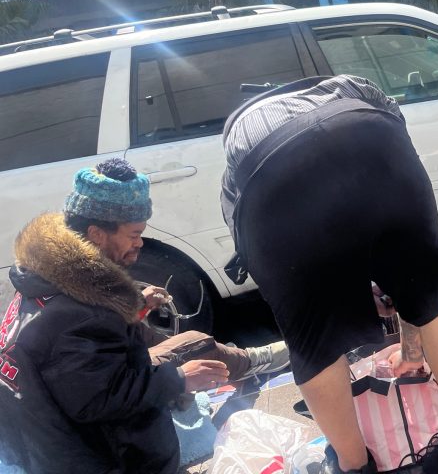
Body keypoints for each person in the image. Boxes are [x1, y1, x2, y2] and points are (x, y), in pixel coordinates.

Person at [221, 75, 438, 474]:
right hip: (369, 137)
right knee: (434, 299)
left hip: (270, 174)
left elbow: (249, 240)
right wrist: (398, 301)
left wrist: (330, 295)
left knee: (311, 340)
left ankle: (353, 466)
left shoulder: (235, 139)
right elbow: (397, 149)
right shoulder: (351, 86)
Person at [0, 158, 290, 473]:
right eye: (134, 234)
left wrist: (135, 303)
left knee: (191, 342)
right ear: (97, 234)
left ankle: (253, 361)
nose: (140, 243)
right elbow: (97, 399)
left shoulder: (47, 276)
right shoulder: (77, 317)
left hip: (61, 427)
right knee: (187, 361)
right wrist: (179, 379)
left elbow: (79, 363)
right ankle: (256, 362)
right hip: (90, 457)